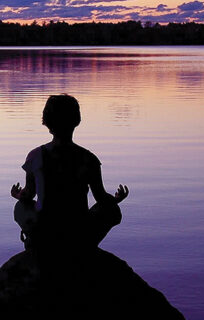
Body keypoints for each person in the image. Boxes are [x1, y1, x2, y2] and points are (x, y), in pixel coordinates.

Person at [11, 94, 129, 256]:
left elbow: (28, 195)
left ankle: (37, 241)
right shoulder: (89, 159)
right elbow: (101, 199)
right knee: (112, 210)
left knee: (20, 207)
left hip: (44, 230)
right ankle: (84, 245)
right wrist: (116, 200)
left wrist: (17, 195)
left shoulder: (35, 156)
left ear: (46, 122)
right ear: (76, 121)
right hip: (78, 231)